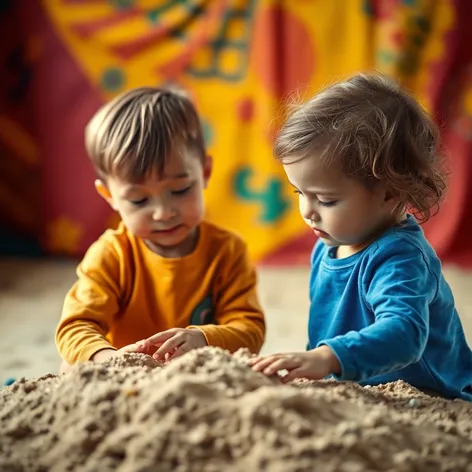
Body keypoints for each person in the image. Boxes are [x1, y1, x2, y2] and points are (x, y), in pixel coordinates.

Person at [250, 73, 472, 401]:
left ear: (391, 194)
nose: (307, 211)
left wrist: (327, 357)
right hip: (357, 386)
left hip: (431, 392)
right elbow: (328, 332)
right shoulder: (328, 245)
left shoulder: (400, 258)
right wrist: (317, 362)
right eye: (299, 191)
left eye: (326, 200)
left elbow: (404, 334)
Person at [56, 86, 265, 369]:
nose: (164, 213)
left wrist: (203, 338)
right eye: (139, 200)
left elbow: (250, 331)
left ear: (204, 173)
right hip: (126, 381)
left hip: (202, 378)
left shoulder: (228, 251)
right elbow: (75, 326)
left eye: (180, 190)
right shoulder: (112, 254)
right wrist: (109, 359)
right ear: (110, 197)